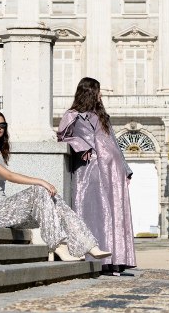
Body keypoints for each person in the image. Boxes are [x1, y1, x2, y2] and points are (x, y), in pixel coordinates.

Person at [0, 110, 111, 261]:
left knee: (54, 201)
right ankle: (58, 245)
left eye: (2, 125)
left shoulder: (0, 152)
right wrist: (41, 181)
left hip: (3, 210)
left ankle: (89, 244)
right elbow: (9, 176)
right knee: (39, 190)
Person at [58, 77, 136, 275]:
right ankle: (94, 258)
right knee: (95, 211)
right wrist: (80, 145)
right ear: (90, 92)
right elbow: (61, 136)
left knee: (115, 213)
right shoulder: (72, 115)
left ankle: (115, 260)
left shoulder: (102, 116)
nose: (101, 95)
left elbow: (115, 143)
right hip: (90, 168)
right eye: (98, 91)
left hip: (113, 169)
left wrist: (125, 168)